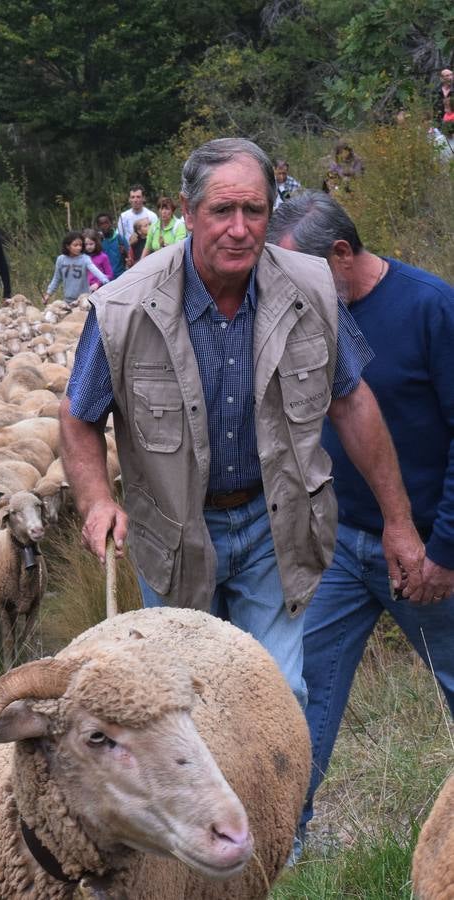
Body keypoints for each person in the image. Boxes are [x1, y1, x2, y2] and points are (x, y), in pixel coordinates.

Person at [59, 137, 424, 706]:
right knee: (182, 706)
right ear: (187, 211)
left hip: (271, 523)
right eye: (221, 211)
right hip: (174, 532)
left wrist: (398, 521)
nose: (239, 228)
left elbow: (352, 402)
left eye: (254, 211)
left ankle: (276, 798)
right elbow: (79, 415)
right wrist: (96, 500)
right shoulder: (123, 307)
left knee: (280, 695)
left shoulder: (314, 289)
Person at [268, 190, 454, 843]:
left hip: (428, 549)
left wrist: (446, 552)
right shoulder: (312, 313)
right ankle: (285, 835)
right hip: (340, 546)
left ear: (341, 253)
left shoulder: (431, 307)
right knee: (303, 686)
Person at [42, 231, 110, 306]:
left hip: (84, 300)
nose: (79, 248)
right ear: (68, 246)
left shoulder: (85, 259)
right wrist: (48, 294)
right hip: (68, 299)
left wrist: (105, 280)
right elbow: (56, 278)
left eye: (80, 245)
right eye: (75, 245)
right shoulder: (61, 260)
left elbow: (95, 271)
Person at [117, 185, 158, 267]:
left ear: (143, 198)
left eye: (138, 197)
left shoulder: (152, 216)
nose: (135, 200)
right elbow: (120, 239)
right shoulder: (123, 217)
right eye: (132, 197)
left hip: (150, 256)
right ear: (129, 199)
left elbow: (156, 237)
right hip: (131, 258)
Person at [95, 212, 130, 278]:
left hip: (121, 276)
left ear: (111, 223)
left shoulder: (120, 239)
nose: (104, 226)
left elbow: (130, 257)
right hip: (106, 280)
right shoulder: (98, 242)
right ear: (98, 226)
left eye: (106, 222)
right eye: (101, 224)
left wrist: (125, 252)